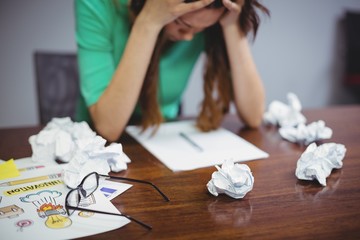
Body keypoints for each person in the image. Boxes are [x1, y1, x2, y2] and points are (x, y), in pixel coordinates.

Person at [75, 0, 269, 142]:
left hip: (162, 135)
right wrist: (148, 21)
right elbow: (108, 128)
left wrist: (231, 25)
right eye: (182, 24)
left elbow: (253, 116)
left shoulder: (210, 18)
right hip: (96, 141)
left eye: (202, 29)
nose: (189, 38)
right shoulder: (97, 4)